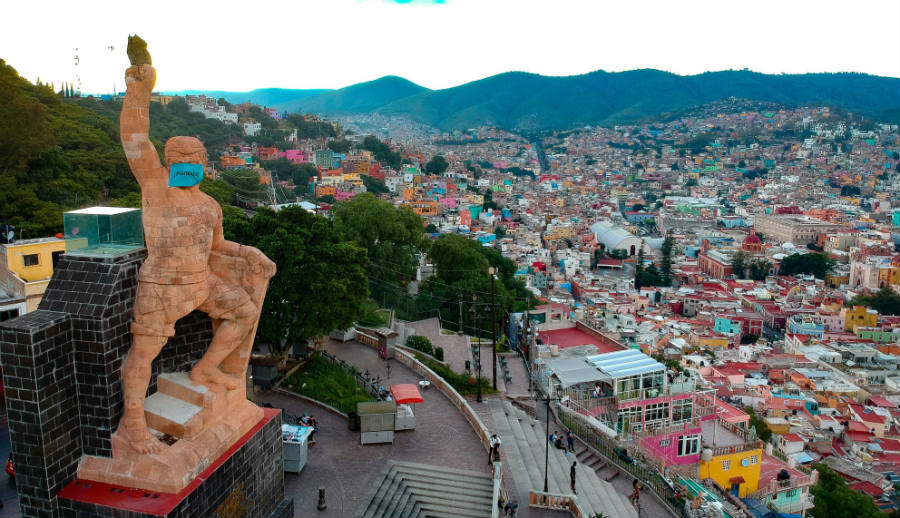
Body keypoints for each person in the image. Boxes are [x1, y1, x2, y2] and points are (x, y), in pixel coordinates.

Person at [116, 60, 275, 454]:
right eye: (184, 160)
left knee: (243, 311)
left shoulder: (209, 205)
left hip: (201, 283)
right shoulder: (156, 189)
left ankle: (205, 367)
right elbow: (135, 141)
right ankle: (133, 424)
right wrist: (139, 93)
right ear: (171, 164)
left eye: (197, 159)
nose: (192, 165)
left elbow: (218, 246)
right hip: (163, 287)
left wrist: (250, 251)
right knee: (144, 354)